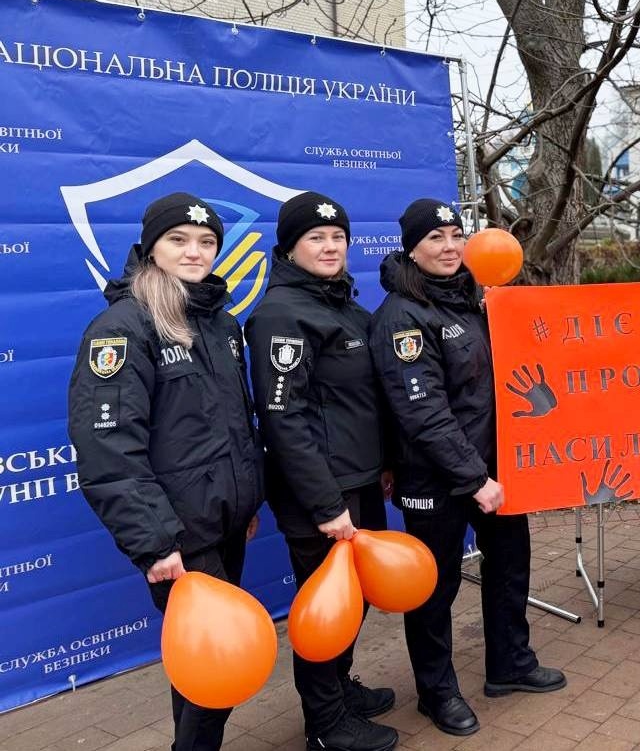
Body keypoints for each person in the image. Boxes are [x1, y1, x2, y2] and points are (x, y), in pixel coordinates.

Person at [68, 192, 263, 751]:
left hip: (223, 523)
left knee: (210, 672)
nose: (194, 251)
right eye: (178, 239)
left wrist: (244, 504)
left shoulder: (220, 323)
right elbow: (108, 450)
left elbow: (233, 427)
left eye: (206, 242)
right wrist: (155, 544)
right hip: (177, 537)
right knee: (213, 671)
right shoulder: (125, 327)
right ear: (151, 247)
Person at [369, 199, 565, 736]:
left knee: (509, 563)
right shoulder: (401, 317)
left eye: (456, 234)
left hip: (493, 471)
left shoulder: (474, 300)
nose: (450, 246)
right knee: (434, 588)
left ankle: (510, 665)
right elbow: (423, 413)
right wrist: (473, 478)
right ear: (412, 247)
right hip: (439, 479)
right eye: (435, 238)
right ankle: (437, 692)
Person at [244, 192, 398, 751]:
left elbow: (360, 403)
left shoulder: (345, 307)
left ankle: (339, 690)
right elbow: (285, 422)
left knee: (352, 601)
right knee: (323, 609)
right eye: (316, 237)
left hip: (358, 481)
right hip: (322, 495)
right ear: (289, 247)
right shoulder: (280, 315)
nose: (330, 246)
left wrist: (380, 465)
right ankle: (326, 725)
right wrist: (327, 504)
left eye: (338, 237)